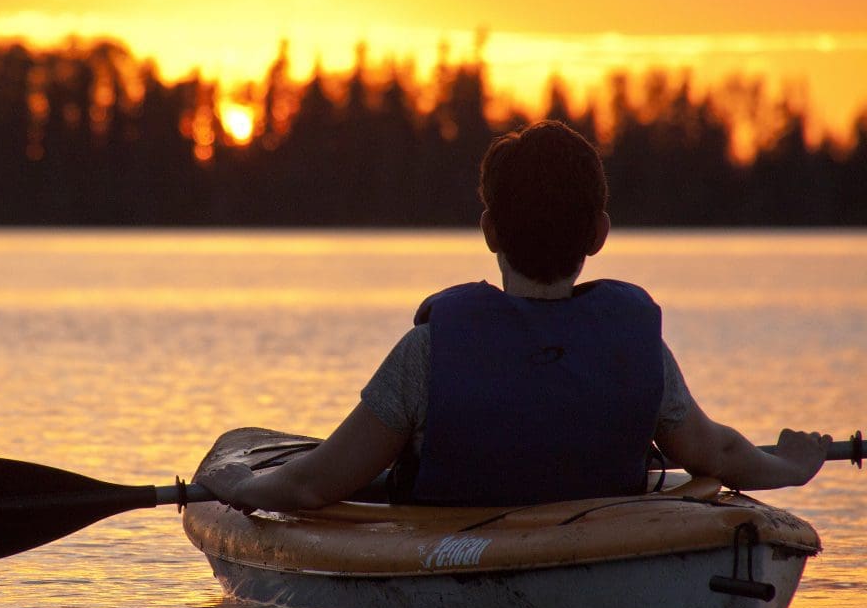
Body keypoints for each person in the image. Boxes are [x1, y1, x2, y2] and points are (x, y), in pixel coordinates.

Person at [199, 120, 831, 511]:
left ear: (488, 231)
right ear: (600, 235)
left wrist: (239, 490)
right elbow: (716, 451)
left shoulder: (429, 353)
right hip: (599, 553)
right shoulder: (637, 351)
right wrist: (792, 468)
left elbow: (313, 485)